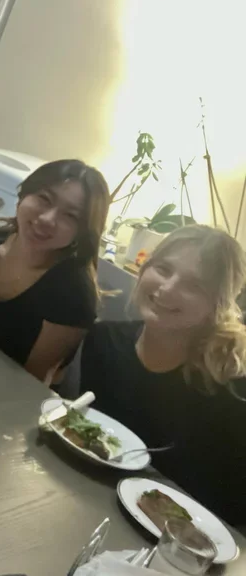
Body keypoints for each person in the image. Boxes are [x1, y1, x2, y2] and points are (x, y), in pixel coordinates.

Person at [79, 225, 246, 527]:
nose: (168, 289)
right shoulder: (104, 341)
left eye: (194, 286)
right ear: (145, 267)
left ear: (216, 306)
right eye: (164, 269)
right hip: (89, 507)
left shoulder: (232, 389)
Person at [0, 159, 111, 382]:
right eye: (44, 199)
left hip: (25, 393)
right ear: (23, 195)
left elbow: (32, 380)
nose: (47, 219)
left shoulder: (73, 291)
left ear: (82, 233)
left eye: (70, 216)